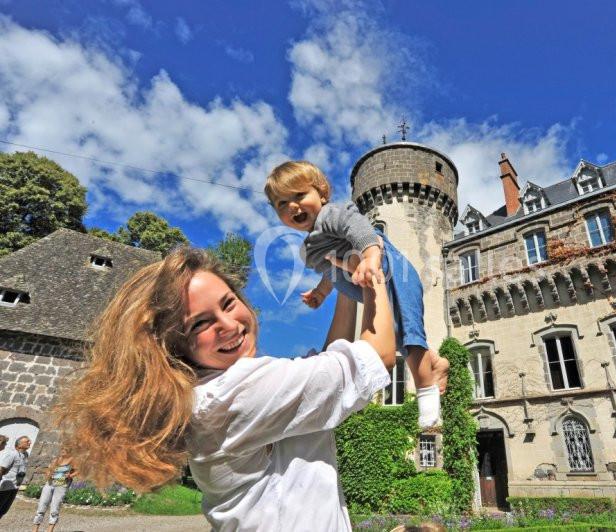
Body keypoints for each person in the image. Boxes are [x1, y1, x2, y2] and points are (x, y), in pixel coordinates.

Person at [58, 247, 397, 531]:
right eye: (200, 323)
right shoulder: (234, 394)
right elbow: (377, 358)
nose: (229, 325)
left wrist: (342, 283)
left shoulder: (204, 396)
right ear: (175, 345)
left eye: (229, 302)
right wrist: (371, 270)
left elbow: (331, 367)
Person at [265, 160, 449, 427]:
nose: (292, 206)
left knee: (409, 330)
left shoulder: (331, 216)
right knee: (398, 335)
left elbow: (361, 230)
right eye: (282, 203)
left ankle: (426, 388)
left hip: (392, 270)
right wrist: (320, 293)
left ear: (322, 193)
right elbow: (333, 271)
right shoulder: (309, 248)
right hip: (367, 282)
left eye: (299, 195)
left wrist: (370, 258)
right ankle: (436, 362)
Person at [32, 451, 76, 532]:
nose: (62, 451)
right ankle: (35, 530)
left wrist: (70, 476)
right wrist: (48, 473)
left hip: (61, 486)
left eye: (65, 449)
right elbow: (49, 470)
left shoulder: (73, 461)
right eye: (62, 449)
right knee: (42, 505)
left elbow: (79, 471)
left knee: (55, 508)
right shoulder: (56, 460)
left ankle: (50, 530)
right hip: (49, 483)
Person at [0, 435, 31, 520]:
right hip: (6, 486)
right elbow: (2, 468)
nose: (29, 443)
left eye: (29, 441)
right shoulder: (12, 454)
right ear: (19, 444)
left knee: (4, 510)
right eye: (27, 441)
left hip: (15, 486)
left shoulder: (25, 455)